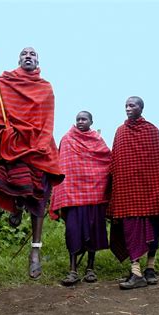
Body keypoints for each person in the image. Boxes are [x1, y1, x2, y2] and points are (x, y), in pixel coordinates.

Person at [0, 47, 64, 279]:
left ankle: (35, 252)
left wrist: (39, 141)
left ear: (37, 61)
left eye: (33, 54)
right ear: (18, 59)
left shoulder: (45, 87)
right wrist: (5, 131)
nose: (28, 56)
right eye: (24, 53)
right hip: (13, 142)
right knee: (15, 181)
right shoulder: (5, 82)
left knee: (38, 197)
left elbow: (47, 119)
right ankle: (16, 206)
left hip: (39, 144)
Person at [108, 96, 159, 290]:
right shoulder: (120, 132)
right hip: (128, 192)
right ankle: (136, 271)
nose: (128, 108)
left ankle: (150, 268)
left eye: (132, 105)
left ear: (141, 107)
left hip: (151, 191)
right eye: (126, 106)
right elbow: (117, 163)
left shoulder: (152, 130)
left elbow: (157, 164)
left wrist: (158, 189)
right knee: (131, 230)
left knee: (153, 230)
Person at [50, 111, 111, 286]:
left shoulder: (97, 140)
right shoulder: (67, 139)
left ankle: (91, 268)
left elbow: (107, 160)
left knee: (93, 231)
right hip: (72, 196)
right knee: (73, 232)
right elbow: (62, 166)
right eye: (78, 119)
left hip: (94, 194)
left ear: (91, 121)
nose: (80, 121)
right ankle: (72, 270)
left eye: (84, 119)